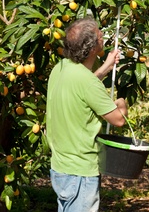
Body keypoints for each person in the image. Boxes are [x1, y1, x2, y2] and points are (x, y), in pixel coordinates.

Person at [46, 16, 127, 212]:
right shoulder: (87, 83)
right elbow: (118, 120)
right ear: (91, 49)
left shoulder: (61, 68)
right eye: (100, 35)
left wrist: (107, 66)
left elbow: (83, 86)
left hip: (61, 168)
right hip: (80, 174)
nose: (103, 36)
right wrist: (121, 103)